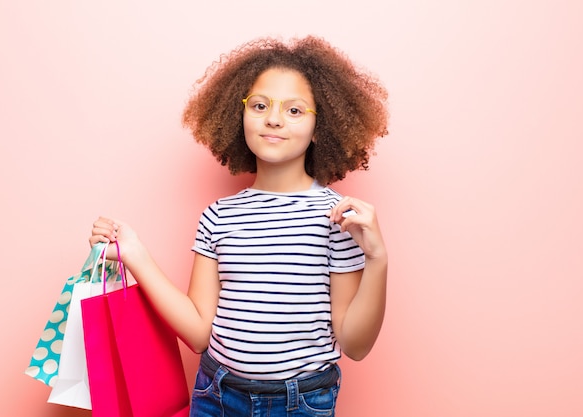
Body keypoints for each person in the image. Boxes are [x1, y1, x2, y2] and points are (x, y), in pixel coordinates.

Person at [90, 35, 389, 416]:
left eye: (295, 110)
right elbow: (199, 333)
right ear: (240, 114)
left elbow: (356, 346)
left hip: (300, 403)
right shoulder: (218, 215)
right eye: (260, 105)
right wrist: (132, 252)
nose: (274, 118)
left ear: (319, 128)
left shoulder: (339, 219)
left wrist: (377, 257)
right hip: (216, 395)